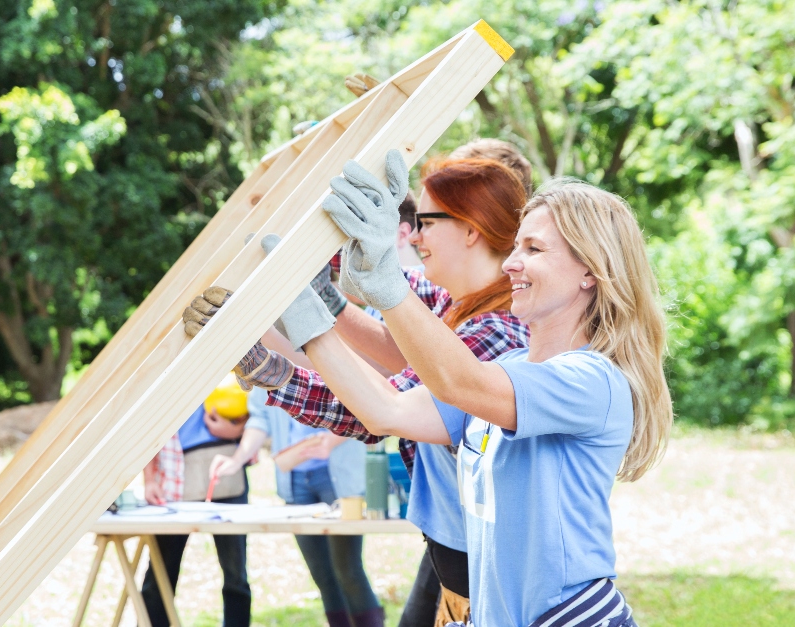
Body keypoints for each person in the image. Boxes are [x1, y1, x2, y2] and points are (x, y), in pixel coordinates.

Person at [291, 156, 673, 626]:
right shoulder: (509, 366)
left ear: (589, 272)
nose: (511, 262)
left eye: (533, 249)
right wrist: (307, 314)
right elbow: (383, 409)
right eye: (516, 246)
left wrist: (385, 281)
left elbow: (458, 380)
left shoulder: (592, 382)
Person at [184, 157, 531, 626]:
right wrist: (326, 295)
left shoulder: (496, 334)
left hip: (491, 587)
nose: (413, 236)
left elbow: (382, 408)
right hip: (463, 570)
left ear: (472, 230)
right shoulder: (458, 306)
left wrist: (272, 368)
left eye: (425, 223)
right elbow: (400, 350)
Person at [210, 390, 381, 627]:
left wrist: (331, 440)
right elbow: (260, 419)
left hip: (338, 478)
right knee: (322, 575)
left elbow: (367, 407)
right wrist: (236, 460)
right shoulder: (266, 360)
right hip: (295, 481)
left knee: (348, 571)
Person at [140, 377, 253, 627]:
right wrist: (149, 479)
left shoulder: (229, 363)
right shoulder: (163, 373)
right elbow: (146, 426)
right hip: (173, 481)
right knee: (160, 571)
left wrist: (237, 430)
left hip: (226, 475)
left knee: (236, 574)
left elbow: (257, 411)